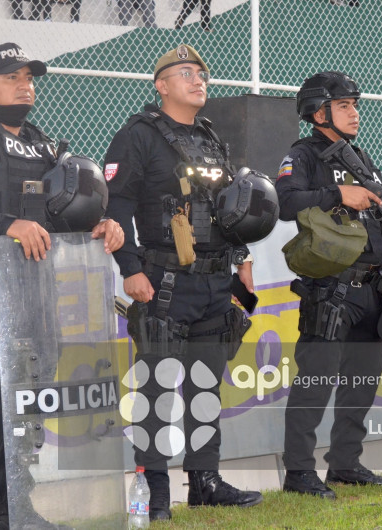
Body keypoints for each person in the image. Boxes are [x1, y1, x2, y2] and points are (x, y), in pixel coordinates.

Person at [0, 42, 124, 530]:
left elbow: (66, 211)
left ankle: (15, 505)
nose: (24, 85)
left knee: (29, 402)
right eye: (12, 77)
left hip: (40, 292)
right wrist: (4, 225)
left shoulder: (45, 145)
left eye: (29, 78)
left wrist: (99, 224)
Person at [103, 44, 264, 521]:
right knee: (156, 390)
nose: (198, 81)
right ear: (161, 85)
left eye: (202, 74)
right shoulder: (138, 136)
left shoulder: (211, 137)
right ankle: (155, 492)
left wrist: (241, 259)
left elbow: (228, 209)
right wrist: (130, 269)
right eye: (186, 73)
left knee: (206, 386)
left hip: (216, 283)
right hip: (164, 282)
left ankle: (205, 482)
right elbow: (116, 207)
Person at [276, 71, 382, 499]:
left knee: (362, 382)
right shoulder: (302, 154)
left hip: (374, 286)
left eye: (355, 105)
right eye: (344, 106)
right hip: (331, 289)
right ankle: (299, 473)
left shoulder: (361, 157)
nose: (354, 113)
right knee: (315, 382)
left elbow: (379, 216)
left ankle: (345, 463)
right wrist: (338, 194)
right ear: (319, 112)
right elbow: (284, 202)